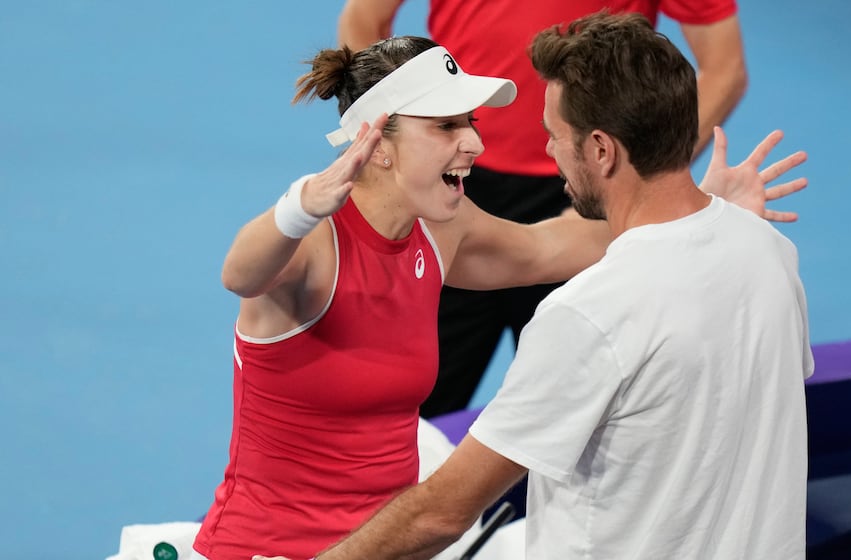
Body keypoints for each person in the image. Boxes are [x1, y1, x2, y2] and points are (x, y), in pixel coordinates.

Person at [195, 27, 805, 560]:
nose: (475, 145)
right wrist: (300, 207)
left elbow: (553, 244)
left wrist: (700, 210)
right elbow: (241, 275)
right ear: (377, 142)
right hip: (276, 550)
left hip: (390, 544)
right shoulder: (313, 244)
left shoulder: (441, 230)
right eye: (447, 126)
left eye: (470, 122)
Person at [338, 0, 752, 417]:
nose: (474, 139)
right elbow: (364, 17)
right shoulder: (323, 245)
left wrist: (663, 185)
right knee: (415, 406)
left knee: (576, 415)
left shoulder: (446, 225)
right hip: (455, 182)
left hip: (584, 185)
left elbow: (724, 69)